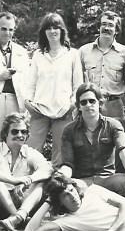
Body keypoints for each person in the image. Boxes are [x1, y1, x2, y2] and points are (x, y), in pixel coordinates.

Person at [57, 83, 125, 198]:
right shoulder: (69, 130)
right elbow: (68, 164)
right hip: (82, 182)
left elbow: (123, 150)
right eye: (83, 102)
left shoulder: (113, 125)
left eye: (92, 101)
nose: (88, 105)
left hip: (107, 180)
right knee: (61, 188)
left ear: (100, 103)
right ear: (79, 106)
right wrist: (62, 177)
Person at [25, 13, 83, 167]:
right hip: (39, 110)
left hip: (64, 111)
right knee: (31, 151)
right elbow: (31, 83)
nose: (52, 31)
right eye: (48, 28)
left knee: (61, 154)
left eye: (56, 27)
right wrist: (28, 103)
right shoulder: (38, 55)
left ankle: (57, 186)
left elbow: (78, 84)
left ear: (62, 30)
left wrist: (71, 105)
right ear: (44, 32)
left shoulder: (73, 54)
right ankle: (27, 183)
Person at [0, 113, 53, 231]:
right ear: (5, 134)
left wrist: (30, 179)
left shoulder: (30, 152)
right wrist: (13, 181)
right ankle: (17, 217)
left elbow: (48, 169)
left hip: (22, 205)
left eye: (23, 132)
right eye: (15, 132)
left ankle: (18, 218)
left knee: (41, 182)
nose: (20, 135)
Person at [0, 12, 31, 149]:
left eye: (11, 29)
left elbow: (26, 81)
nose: (7, 33)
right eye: (3, 29)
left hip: (15, 101)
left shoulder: (21, 52)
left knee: (15, 141)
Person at [79, 10, 125, 120]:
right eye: (103, 24)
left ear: (116, 30)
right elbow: (77, 80)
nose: (106, 28)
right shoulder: (84, 51)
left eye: (111, 25)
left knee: (114, 136)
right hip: (89, 104)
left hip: (114, 106)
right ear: (99, 27)